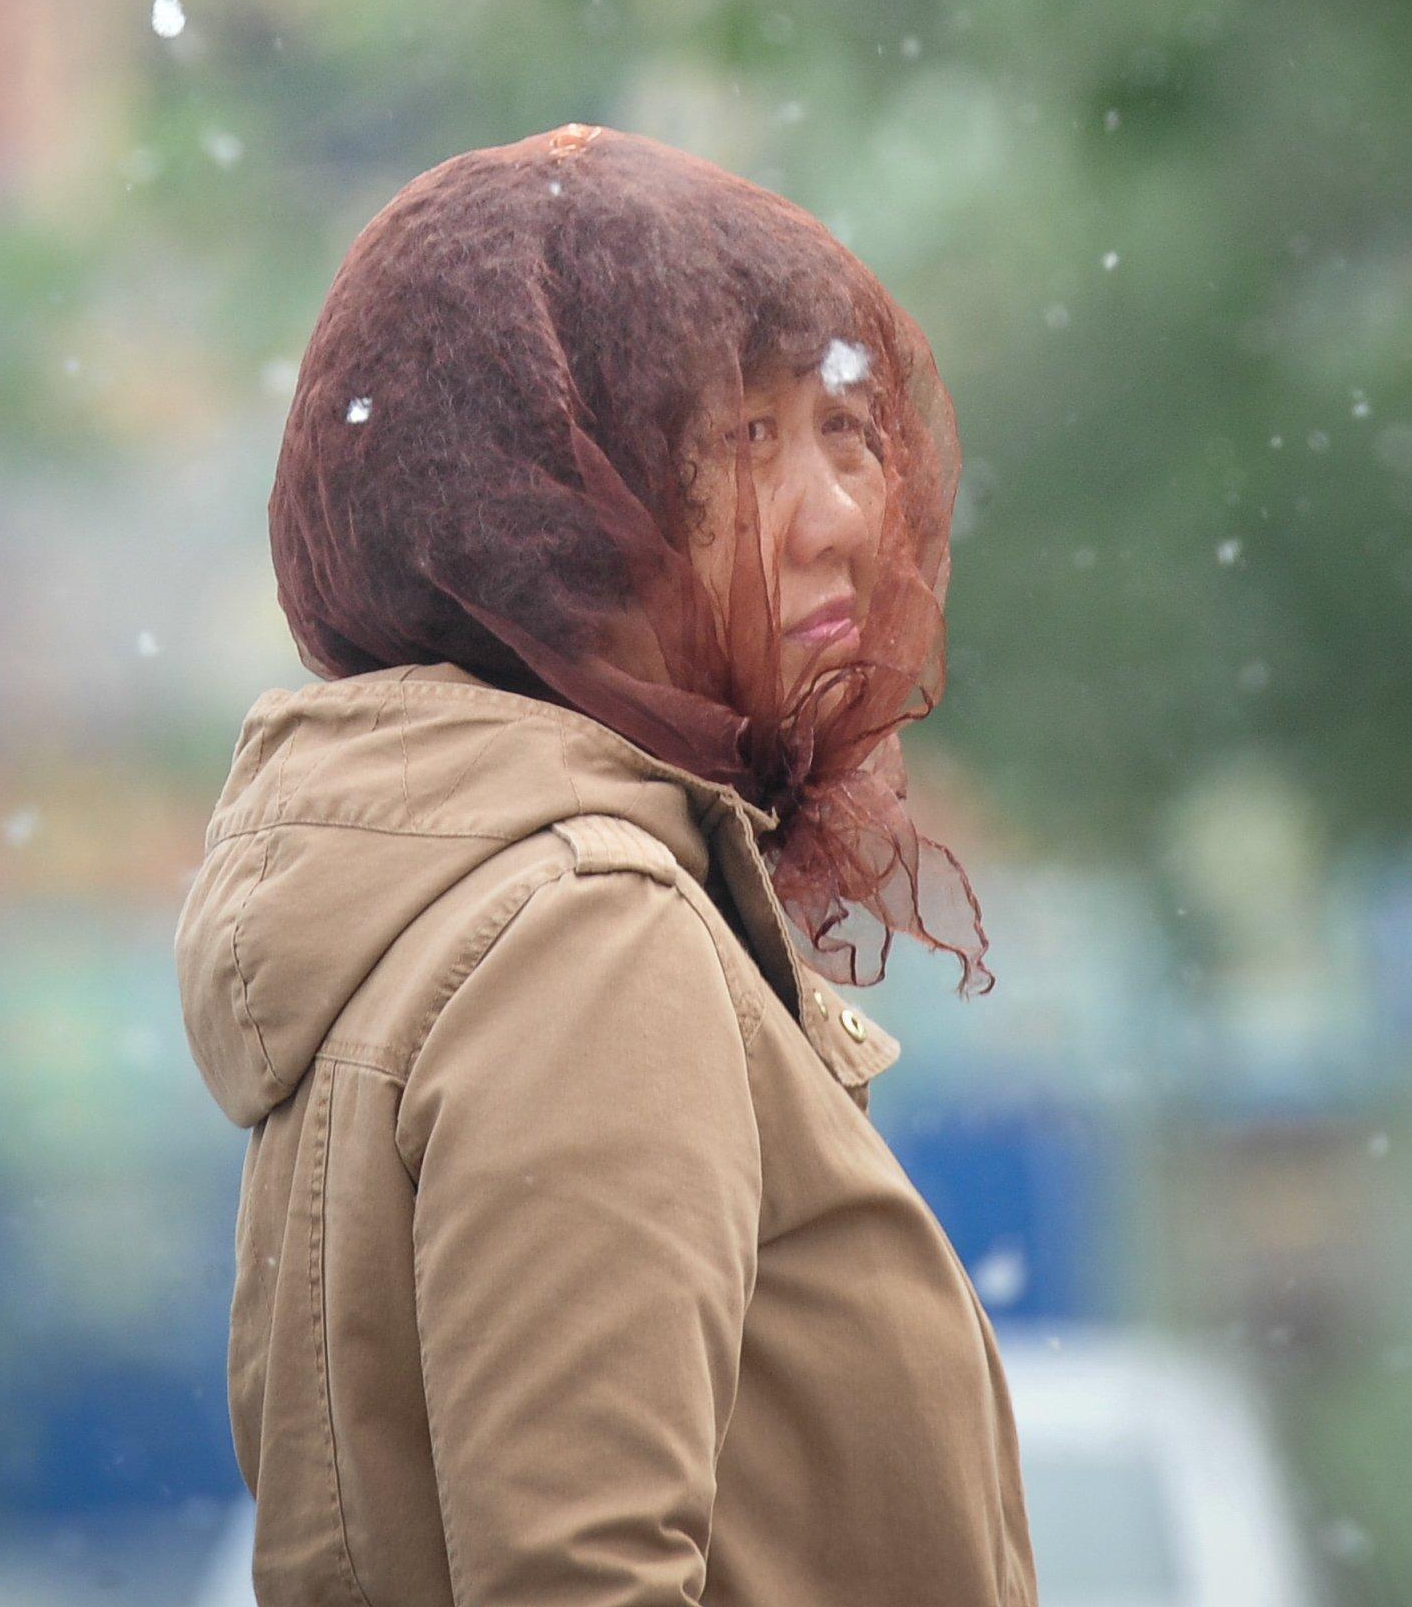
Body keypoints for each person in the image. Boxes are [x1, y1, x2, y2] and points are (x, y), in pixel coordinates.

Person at [176, 123, 1035, 1607]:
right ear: (546, 516)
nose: (846, 521)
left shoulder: (470, 907)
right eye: (750, 442)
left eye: (847, 434)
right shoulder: (582, 937)